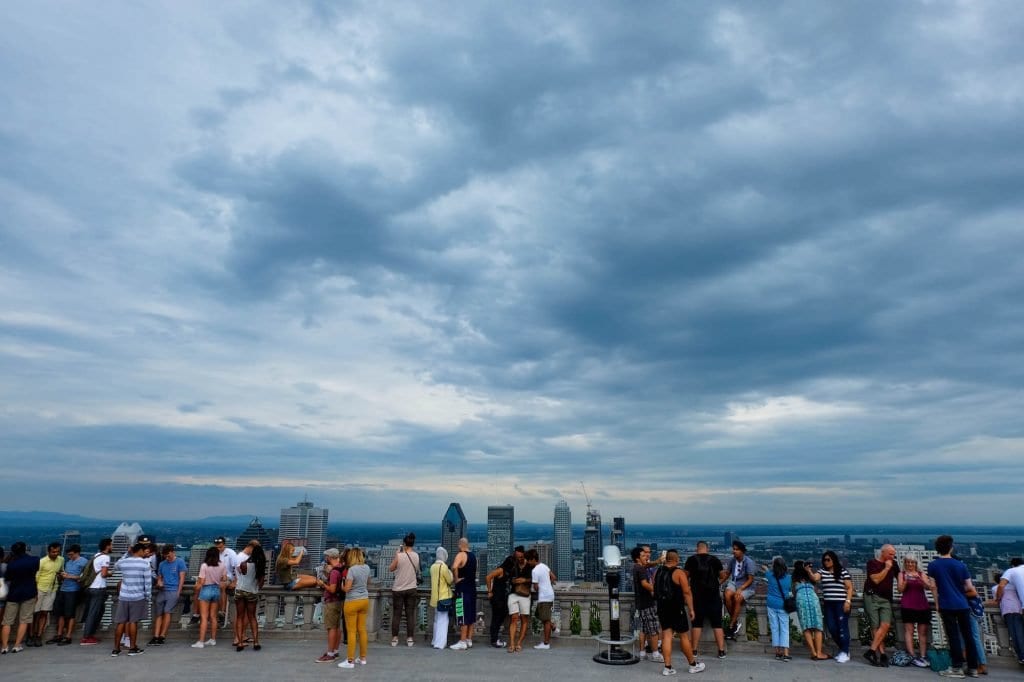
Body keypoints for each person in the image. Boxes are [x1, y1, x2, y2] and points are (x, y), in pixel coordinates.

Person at [928, 534, 979, 678]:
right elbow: (969, 587)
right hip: (962, 604)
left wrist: (937, 604)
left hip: (946, 604)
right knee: (968, 637)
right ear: (951, 548)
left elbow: (933, 587)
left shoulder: (933, 565)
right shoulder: (961, 565)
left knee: (953, 636)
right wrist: (958, 591)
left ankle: (957, 667)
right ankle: (973, 668)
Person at [654, 549, 704, 675]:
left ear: (667, 559)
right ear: (676, 559)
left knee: (666, 636)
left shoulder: (658, 571)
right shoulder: (678, 572)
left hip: (662, 607)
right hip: (676, 609)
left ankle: (668, 667)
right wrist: (692, 609)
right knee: (684, 637)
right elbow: (687, 592)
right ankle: (693, 665)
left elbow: (655, 588)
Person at [684, 541, 726, 659]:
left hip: (697, 596)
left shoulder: (691, 560)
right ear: (707, 548)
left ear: (697, 548)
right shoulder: (715, 560)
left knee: (697, 624)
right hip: (713, 596)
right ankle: (721, 651)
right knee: (717, 624)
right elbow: (722, 575)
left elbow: (685, 575)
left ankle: (694, 650)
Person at [810, 550, 853, 663]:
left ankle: (845, 651)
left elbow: (849, 587)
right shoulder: (822, 572)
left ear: (834, 560)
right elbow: (815, 578)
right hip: (828, 604)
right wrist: (808, 570)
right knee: (831, 627)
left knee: (842, 627)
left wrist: (848, 601)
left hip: (841, 603)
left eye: (828, 559)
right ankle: (844, 649)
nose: (826, 562)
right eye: (824, 560)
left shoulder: (843, 572)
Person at [110, 542, 152, 657]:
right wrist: (148, 596)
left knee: (120, 622)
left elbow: (116, 565)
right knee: (133, 622)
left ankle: (116, 649)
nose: (145, 553)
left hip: (124, 596)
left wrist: (126, 554)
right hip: (138, 596)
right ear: (140, 551)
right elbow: (148, 582)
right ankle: (132, 648)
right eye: (144, 551)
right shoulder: (145, 564)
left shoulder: (124, 562)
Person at [863, 543, 900, 667]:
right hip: (872, 597)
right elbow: (876, 580)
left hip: (886, 599)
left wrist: (902, 583)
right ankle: (882, 654)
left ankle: (871, 651)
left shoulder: (893, 564)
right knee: (875, 626)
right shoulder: (872, 563)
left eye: (894, 554)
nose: (892, 557)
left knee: (885, 625)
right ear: (882, 552)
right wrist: (886, 568)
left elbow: (899, 575)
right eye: (890, 554)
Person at [0, 542, 39, 653]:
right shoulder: (35, 560)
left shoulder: (11, 565)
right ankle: (17, 645)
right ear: (25, 549)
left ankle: (4, 646)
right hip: (29, 592)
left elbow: (8, 578)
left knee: (7, 622)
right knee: (24, 620)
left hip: (13, 594)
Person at [897, 554, 933, 668]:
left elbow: (929, 587)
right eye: (908, 562)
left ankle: (922, 656)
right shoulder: (901, 574)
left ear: (916, 564)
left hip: (922, 605)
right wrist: (906, 581)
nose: (910, 564)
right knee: (909, 631)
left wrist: (921, 579)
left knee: (922, 633)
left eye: (912, 562)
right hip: (908, 605)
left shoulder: (921, 574)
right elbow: (900, 590)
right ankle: (912, 655)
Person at [485, 545, 523, 648]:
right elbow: (488, 577)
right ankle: (494, 640)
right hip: (497, 598)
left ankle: (495, 639)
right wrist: (489, 591)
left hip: (503, 598)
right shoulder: (501, 570)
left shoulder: (508, 573)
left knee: (499, 618)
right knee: (496, 619)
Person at [147, 544, 186, 647]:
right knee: (158, 614)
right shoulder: (162, 564)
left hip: (173, 590)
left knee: (167, 611)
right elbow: (159, 576)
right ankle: (156, 636)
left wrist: (178, 591)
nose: (167, 558)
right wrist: (159, 582)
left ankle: (162, 635)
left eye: (168, 555)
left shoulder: (180, 562)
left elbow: (182, 577)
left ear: (173, 553)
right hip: (163, 590)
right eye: (165, 556)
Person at [388, 532, 420, 648]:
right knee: (410, 614)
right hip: (411, 588)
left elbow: (391, 568)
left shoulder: (399, 555)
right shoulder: (416, 556)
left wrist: (397, 555)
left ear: (404, 544)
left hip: (398, 588)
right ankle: (410, 638)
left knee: (397, 614)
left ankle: (394, 638)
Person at [632, 546, 663, 662]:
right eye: (643, 555)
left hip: (640, 603)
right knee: (654, 629)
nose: (646, 557)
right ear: (637, 558)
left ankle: (642, 652)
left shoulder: (637, 567)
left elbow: (648, 565)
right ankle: (655, 654)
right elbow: (645, 584)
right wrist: (657, 590)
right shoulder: (641, 569)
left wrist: (657, 561)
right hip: (647, 603)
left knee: (644, 628)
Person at [52, 544, 87, 645]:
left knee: (70, 614)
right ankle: (59, 634)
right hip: (63, 589)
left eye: (71, 554)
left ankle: (68, 636)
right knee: (61, 613)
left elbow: (83, 577)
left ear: (77, 553)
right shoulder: (68, 562)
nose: (70, 557)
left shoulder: (83, 562)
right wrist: (61, 576)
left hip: (73, 590)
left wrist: (69, 576)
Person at [791, 560, 827, 660]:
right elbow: (816, 584)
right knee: (818, 627)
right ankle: (819, 652)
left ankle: (813, 652)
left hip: (801, 600)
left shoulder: (794, 580)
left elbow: (793, 593)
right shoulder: (809, 577)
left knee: (806, 627)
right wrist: (809, 571)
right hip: (813, 599)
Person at [192, 546, 226, 649]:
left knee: (204, 617)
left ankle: (201, 641)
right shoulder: (222, 565)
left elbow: (201, 582)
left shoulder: (204, 566)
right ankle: (213, 639)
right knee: (213, 617)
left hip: (206, 589)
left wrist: (196, 587)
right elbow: (224, 579)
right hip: (216, 590)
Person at [234, 540, 265, 652]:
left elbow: (241, 573)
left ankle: (240, 643)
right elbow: (261, 583)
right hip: (252, 591)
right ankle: (256, 641)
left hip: (240, 590)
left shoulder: (244, 564)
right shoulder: (260, 567)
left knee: (240, 616)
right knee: (252, 617)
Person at [80, 538, 112, 645]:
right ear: (107, 546)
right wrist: (110, 573)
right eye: (111, 545)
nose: (112, 547)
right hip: (98, 587)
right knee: (93, 613)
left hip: (90, 587)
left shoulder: (96, 555)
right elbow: (104, 574)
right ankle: (87, 637)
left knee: (96, 611)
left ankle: (90, 634)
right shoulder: (106, 558)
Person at [992, 558, 1024, 666]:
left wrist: (998, 598)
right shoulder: (1014, 584)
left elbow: (1001, 587)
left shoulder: (1010, 572)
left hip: (1008, 610)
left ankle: (1022, 656)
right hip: (1018, 608)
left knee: (1016, 634)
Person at [31, 541, 63, 647]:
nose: (55, 554)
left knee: (45, 613)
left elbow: (61, 571)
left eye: (57, 552)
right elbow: (36, 577)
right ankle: (32, 635)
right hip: (40, 589)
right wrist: (35, 592)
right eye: (53, 552)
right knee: (35, 614)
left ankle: (39, 635)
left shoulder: (61, 560)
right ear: (48, 551)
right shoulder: (42, 561)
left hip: (52, 589)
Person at [723, 540, 756, 640]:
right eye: (733, 549)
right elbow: (727, 574)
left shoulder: (749, 562)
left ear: (742, 551)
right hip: (734, 582)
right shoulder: (732, 560)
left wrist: (740, 589)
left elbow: (751, 579)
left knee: (738, 598)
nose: (734, 551)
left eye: (736, 549)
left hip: (746, 585)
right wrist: (718, 582)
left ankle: (731, 625)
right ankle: (735, 621)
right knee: (727, 595)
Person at [316, 548, 344, 662]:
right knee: (337, 627)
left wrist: (322, 584)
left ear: (329, 557)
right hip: (340, 601)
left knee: (331, 628)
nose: (325, 559)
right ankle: (335, 651)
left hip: (332, 601)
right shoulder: (341, 568)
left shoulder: (334, 572)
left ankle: (330, 653)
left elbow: (332, 589)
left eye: (326, 557)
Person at [450, 537, 478, 650]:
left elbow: (454, 566)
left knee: (462, 614)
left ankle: (462, 641)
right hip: (472, 589)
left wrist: (456, 579)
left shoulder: (461, 555)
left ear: (460, 545)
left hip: (462, 589)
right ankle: (468, 639)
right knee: (471, 615)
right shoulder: (474, 556)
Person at [527, 547, 556, 650]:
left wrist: (540, 586)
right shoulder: (544, 565)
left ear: (533, 559)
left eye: (528, 560)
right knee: (538, 615)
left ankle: (546, 643)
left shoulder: (534, 571)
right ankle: (553, 626)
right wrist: (547, 584)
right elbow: (553, 577)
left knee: (545, 621)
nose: (528, 562)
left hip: (544, 597)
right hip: (550, 594)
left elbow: (535, 587)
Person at [505, 545, 532, 653]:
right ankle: (511, 643)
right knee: (514, 618)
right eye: (517, 557)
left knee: (524, 619)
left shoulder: (530, 566)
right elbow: (508, 578)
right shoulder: (513, 565)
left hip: (525, 594)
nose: (519, 559)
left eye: (521, 557)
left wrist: (524, 580)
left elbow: (534, 578)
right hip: (513, 593)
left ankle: (519, 643)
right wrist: (514, 581)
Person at [765, 556, 792, 662]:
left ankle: (777, 652)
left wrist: (767, 568)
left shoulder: (770, 576)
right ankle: (785, 653)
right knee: (784, 629)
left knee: (774, 628)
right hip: (782, 605)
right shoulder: (789, 578)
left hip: (771, 604)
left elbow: (767, 571)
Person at [429, 546, 454, 651]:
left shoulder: (432, 566)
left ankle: (434, 640)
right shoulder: (443, 567)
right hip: (443, 597)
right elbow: (450, 580)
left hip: (435, 597)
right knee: (443, 621)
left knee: (436, 620)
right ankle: (440, 643)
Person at [214, 537, 238, 628]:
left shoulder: (231, 553)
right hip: (215, 577)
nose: (218, 548)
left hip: (228, 577)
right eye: (217, 547)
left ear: (224, 544)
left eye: (220, 546)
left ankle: (222, 612)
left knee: (222, 586)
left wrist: (235, 582)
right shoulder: (214, 553)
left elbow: (236, 568)